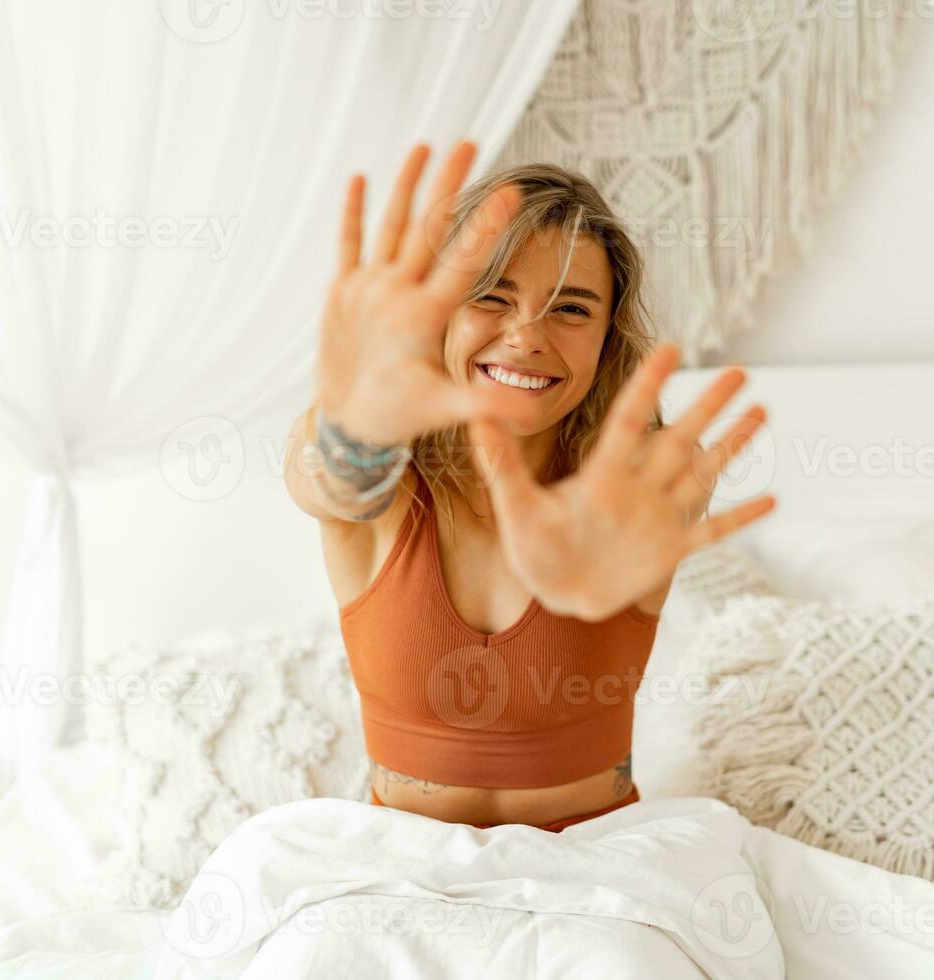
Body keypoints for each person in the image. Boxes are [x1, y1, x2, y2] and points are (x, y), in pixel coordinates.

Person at [284, 140, 775, 831]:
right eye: (492, 296)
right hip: (401, 869)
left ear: (608, 340)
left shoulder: (640, 477)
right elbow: (329, 480)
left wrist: (596, 563)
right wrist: (355, 429)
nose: (524, 336)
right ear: (443, 316)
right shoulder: (368, 462)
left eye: (571, 310)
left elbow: (657, 509)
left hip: (597, 873)